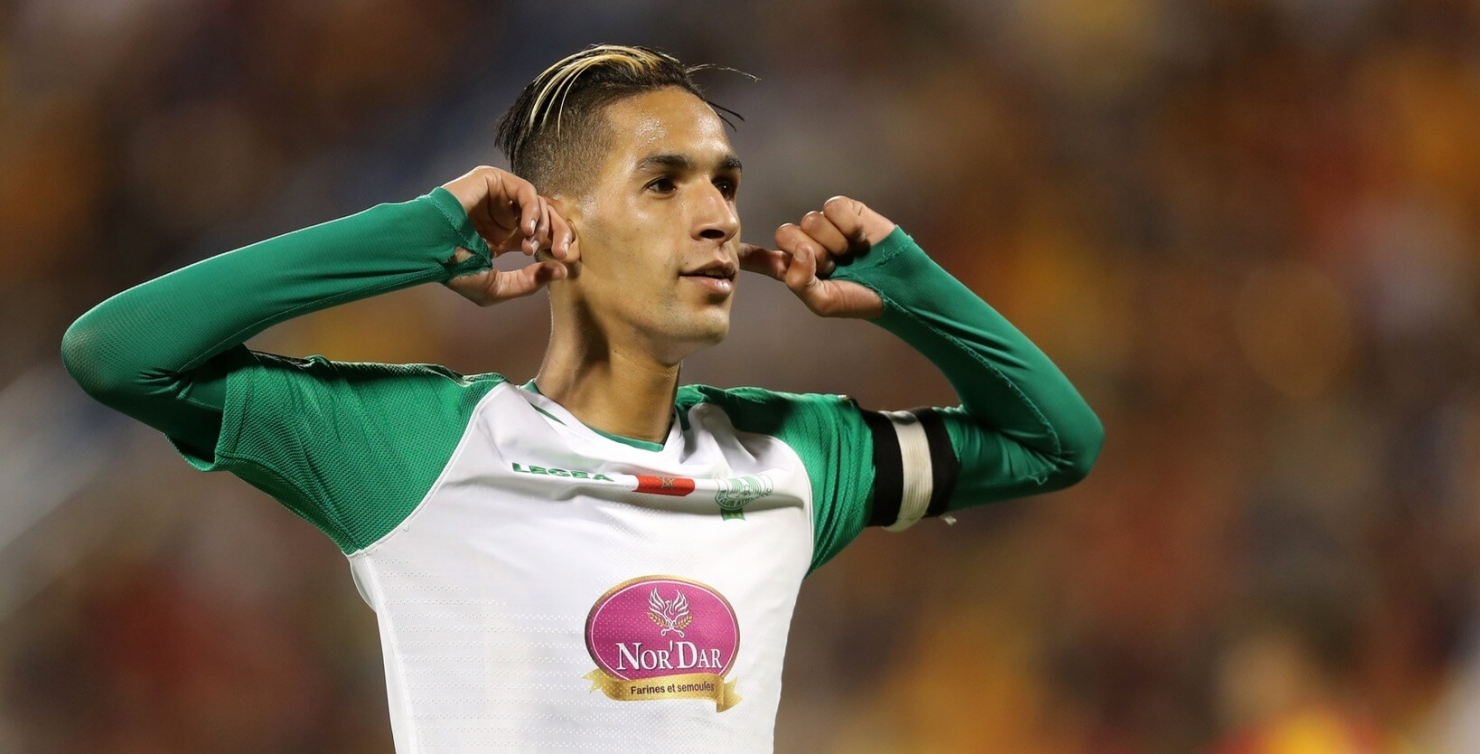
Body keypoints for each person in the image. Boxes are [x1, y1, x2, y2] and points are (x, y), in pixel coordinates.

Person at [61, 44, 1103, 753]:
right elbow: (116, 352)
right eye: (665, 183)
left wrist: (911, 288)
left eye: (726, 183)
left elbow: (1057, 444)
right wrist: (417, 235)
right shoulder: (419, 445)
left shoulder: (795, 456)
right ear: (554, 224)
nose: (715, 217)